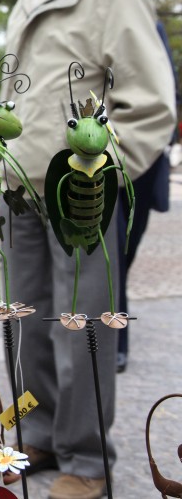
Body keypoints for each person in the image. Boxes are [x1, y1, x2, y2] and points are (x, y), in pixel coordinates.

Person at [0, 0, 176, 499]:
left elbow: (150, 105)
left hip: (79, 198)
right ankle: (38, 434)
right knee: (26, 325)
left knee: (83, 330)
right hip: (20, 194)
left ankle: (88, 462)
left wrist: (96, 177)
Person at [115, 22, 177, 374]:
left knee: (125, 254)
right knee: (110, 259)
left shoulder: (149, 25)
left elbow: (167, 93)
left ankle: (114, 332)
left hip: (142, 165)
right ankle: (116, 341)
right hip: (96, 157)